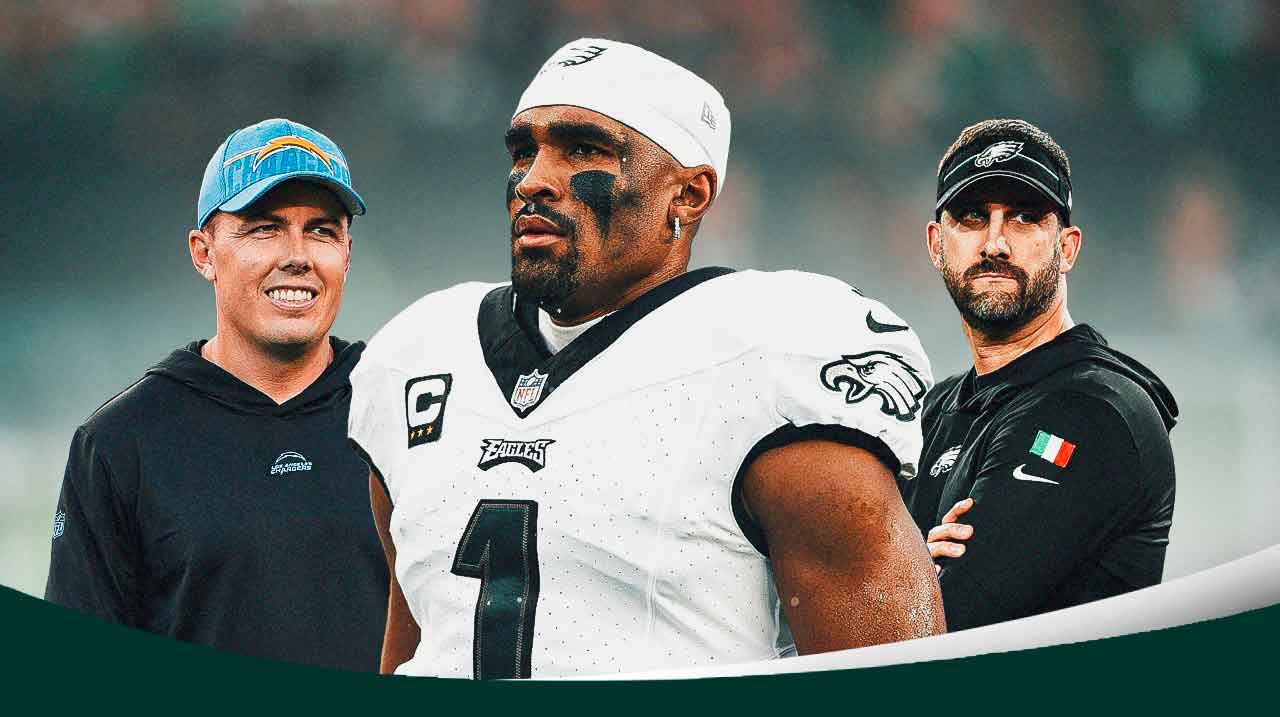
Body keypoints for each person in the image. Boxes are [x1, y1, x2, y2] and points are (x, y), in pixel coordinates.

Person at [347, 38, 944, 679]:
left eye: (583, 149)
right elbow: (420, 638)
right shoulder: (417, 355)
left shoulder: (770, 358)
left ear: (687, 195)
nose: (535, 181)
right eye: (525, 150)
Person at [44, 118, 389, 671]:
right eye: (264, 228)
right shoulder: (121, 442)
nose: (297, 255)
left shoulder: (410, 407)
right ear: (204, 253)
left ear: (347, 253)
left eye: (322, 230)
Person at [905, 118, 1178, 631]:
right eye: (971, 217)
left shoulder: (1095, 410)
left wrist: (896, 562)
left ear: (1067, 247)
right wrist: (913, 562)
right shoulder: (936, 408)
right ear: (936, 244)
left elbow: (942, 627)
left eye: (1025, 218)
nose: (995, 243)